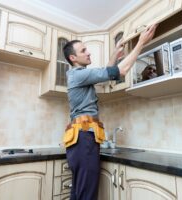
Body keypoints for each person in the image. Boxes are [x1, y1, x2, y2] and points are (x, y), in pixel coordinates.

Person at [62, 24, 157, 200]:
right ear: (73, 57)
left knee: (79, 193)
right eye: (84, 50)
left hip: (79, 140)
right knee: (86, 195)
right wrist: (141, 43)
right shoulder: (79, 74)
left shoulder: (79, 76)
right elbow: (121, 71)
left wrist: (114, 54)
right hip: (84, 139)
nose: (88, 52)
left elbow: (105, 73)